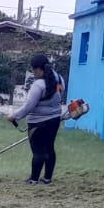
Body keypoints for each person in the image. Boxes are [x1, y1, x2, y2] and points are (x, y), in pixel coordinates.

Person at [8, 53, 65, 184]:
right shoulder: (60, 79)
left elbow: (29, 106)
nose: (33, 73)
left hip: (37, 124)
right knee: (49, 148)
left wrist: (14, 116)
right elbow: (60, 94)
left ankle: (33, 179)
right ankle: (47, 178)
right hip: (54, 120)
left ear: (38, 69)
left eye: (33, 70)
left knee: (38, 151)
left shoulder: (38, 85)